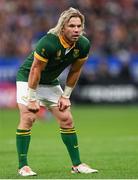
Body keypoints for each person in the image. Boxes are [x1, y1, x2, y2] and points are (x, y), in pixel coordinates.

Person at [16, 7, 98, 176]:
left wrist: (66, 96)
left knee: (67, 118)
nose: (76, 30)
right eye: (72, 26)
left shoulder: (83, 44)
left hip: (50, 83)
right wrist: (32, 98)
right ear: (63, 27)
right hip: (28, 79)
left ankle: (77, 165)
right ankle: (23, 166)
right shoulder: (48, 42)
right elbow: (35, 70)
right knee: (29, 117)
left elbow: (75, 70)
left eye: (79, 26)